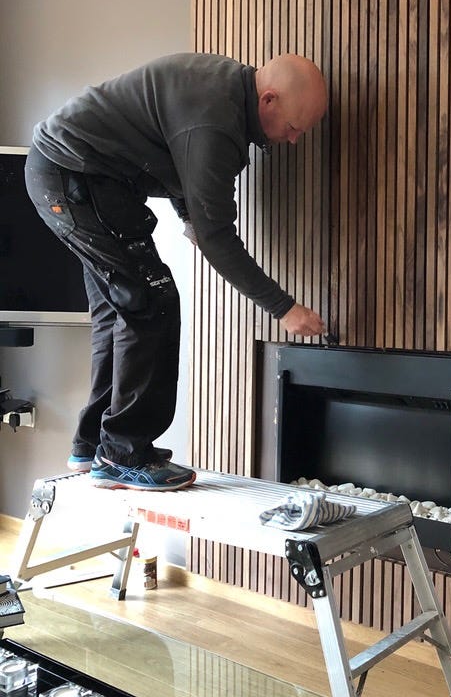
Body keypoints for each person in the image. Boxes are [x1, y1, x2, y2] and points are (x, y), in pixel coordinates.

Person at [25, 52, 328, 492]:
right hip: (77, 177)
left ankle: (94, 444)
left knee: (122, 310)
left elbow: (175, 155)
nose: (295, 139)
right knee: (151, 301)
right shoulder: (216, 118)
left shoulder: (222, 92)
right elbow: (218, 236)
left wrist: (190, 215)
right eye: (295, 126)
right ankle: (124, 453)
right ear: (269, 99)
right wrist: (283, 308)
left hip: (71, 173)